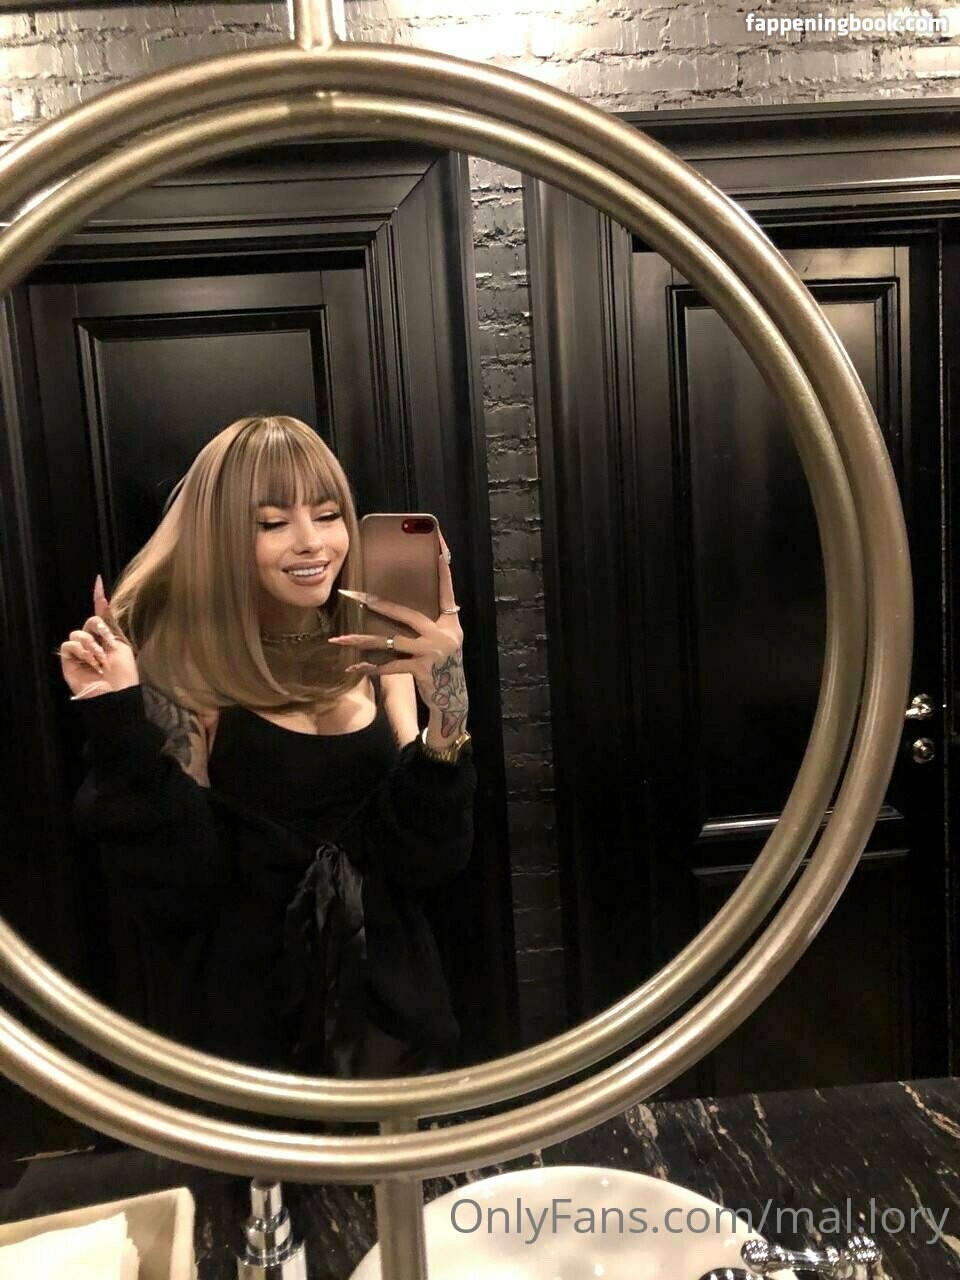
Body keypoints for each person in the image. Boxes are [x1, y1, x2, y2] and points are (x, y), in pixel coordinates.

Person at [58, 415, 476, 1078]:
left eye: (329, 515)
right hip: (254, 1034)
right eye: (272, 522)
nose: (311, 541)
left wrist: (448, 705)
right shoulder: (185, 671)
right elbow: (180, 892)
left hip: (391, 1016)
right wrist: (117, 715)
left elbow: (425, 861)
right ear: (223, 535)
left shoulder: (375, 656)